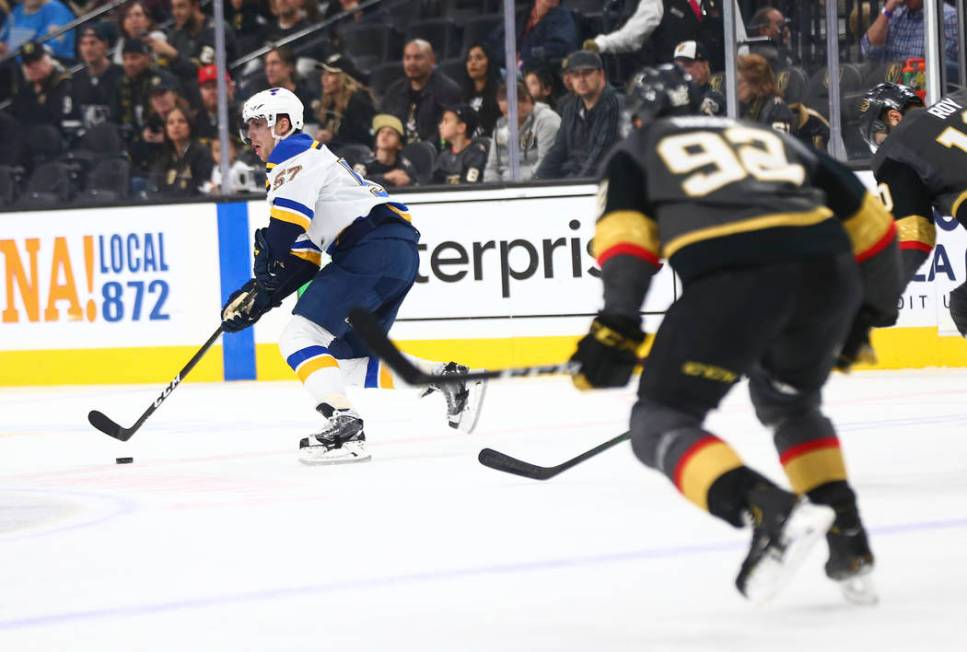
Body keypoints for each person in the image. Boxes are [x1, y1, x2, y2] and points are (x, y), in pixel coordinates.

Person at [569, 64, 902, 604]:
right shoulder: (767, 138)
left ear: (638, 117)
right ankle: (850, 542)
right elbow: (875, 229)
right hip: (828, 273)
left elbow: (626, 241)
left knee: (658, 420)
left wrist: (618, 324)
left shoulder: (637, 149)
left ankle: (766, 509)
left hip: (736, 274)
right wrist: (865, 315)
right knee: (790, 402)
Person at [221, 88, 486, 464]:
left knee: (298, 337)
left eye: (257, 125)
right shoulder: (308, 162)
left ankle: (345, 426)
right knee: (340, 361)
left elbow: (279, 245)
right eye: (247, 127)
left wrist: (262, 288)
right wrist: (262, 297)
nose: (250, 136)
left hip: (369, 249)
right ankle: (446, 379)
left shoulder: (292, 158)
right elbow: (302, 263)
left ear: (283, 124)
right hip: (394, 252)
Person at [861, 82, 967, 338]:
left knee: (965, 307)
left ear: (893, 117)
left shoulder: (895, 150)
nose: (880, 143)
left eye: (878, 135)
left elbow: (913, 235)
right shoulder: (960, 98)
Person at [535, 50, 620, 180]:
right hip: (573, 178)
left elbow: (600, 157)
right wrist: (537, 179)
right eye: (575, 75)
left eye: (587, 73)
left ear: (601, 75)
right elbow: (558, 150)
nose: (581, 79)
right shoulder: (570, 108)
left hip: (600, 183)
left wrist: (574, 186)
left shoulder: (614, 105)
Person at [379, 39, 461, 146]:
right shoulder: (394, 91)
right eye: (407, 58)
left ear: (432, 60)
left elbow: (447, 134)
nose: (412, 63)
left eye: (418, 57)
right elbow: (384, 124)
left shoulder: (448, 90)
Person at [148, 0, 238, 87]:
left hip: (217, 90)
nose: (176, 13)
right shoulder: (176, 34)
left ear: (195, 6)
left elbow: (205, 72)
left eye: (181, 6)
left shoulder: (216, 30)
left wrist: (174, 55)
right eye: (173, 7)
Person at [485, 81, 561, 183]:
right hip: (504, 189)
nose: (507, 117)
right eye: (504, 112)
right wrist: (492, 188)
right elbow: (492, 167)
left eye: (511, 111)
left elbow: (546, 164)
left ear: (527, 101)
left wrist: (515, 183)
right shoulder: (501, 126)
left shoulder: (547, 120)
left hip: (535, 186)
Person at [11, 41, 80, 133]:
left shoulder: (62, 79)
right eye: (28, 64)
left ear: (48, 58)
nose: (34, 66)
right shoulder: (23, 80)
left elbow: (57, 117)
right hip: (28, 133)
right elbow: (18, 111)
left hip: (55, 135)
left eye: (37, 60)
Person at [861, 0, 959, 63]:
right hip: (893, 88)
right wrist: (888, 9)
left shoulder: (947, 17)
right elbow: (868, 51)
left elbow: (945, 69)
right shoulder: (896, 15)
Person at [311, 53, 375, 149]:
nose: (324, 79)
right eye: (324, 73)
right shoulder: (329, 103)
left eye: (331, 74)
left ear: (344, 78)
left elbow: (365, 140)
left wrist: (332, 138)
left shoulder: (358, 102)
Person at [149, 104, 213, 197]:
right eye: (171, 122)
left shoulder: (201, 153)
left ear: (190, 126)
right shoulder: (163, 155)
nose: (176, 126)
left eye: (181, 121)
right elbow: (154, 184)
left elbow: (201, 184)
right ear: (166, 129)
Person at [72, 22, 123, 129]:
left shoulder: (121, 74)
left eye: (93, 43)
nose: (88, 49)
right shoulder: (75, 78)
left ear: (105, 45)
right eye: (83, 44)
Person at [355, 113, 419, 188]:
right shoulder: (365, 162)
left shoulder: (405, 166)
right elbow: (355, 183)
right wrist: (385, 177)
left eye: (391, 133)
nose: (385, 135)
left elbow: (417, 186)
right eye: (382, 132)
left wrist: (408, 183)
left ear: (400, 145)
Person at [432, 104, 488, 185]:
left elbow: (470, 186)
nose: (440, 125)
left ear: (461, 127)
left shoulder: (476, 154)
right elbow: (433, 183)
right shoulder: (444, 156)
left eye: (446, 121)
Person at [737, 53, 793, 134]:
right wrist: (740, 105)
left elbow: (778, 143)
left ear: (754, 84)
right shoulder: (744, 106)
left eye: (739, 82)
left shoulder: (778, 110)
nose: (735, 88)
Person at [0, 0, 75, 61]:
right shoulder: (17, 10)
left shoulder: (57, 10)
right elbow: (3, 39)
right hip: (13, 65)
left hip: (47, 65)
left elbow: (53, 48)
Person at [582, 0, 663, 56]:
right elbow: (633, 34)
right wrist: (602, 43)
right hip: (663, 71)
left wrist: (603, 43)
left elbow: (633, 35)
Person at [672, 40, 725, 116]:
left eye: (688, 65)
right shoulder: (675, 99)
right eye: (678, 67)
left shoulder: (715, 98)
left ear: (705, 65)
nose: (682, 70)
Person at [459, 43, 500, 138]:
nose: (473, 63)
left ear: (489, 62)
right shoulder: (463, 95)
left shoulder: (499, 94)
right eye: (469, 59)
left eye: (479, 58)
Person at [112, 0, 168, 66]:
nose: (134, 19)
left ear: (148, 21)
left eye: (138, 15)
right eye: (128, 16)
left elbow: (161, 64)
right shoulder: (122, 42)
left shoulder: (156, 37)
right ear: (123, 24)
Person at [194, 64, 240, 142]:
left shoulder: (242, 115)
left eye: (216, 86)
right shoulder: (196, 120)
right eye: (207, 87)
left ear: (229, 87)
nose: (212, 92)